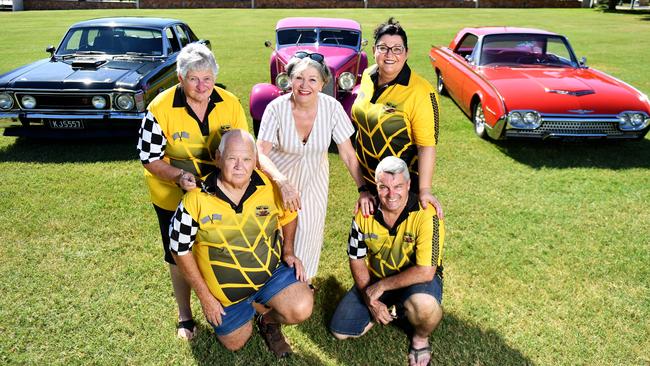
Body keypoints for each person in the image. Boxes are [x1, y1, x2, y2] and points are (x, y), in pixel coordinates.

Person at [136, 43, 247, 340]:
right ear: (180, 77)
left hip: (219, 195)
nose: (202, 85)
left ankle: (230, 303)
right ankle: (185, 315)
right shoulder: (159, 107)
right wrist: (178, 176)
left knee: (221, 246)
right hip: (173, 198)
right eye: (194, 78)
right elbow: (149, 158)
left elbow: (244, 147)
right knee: (178, 255)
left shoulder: (230, 102)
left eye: (208, 78)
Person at [169, 130, 313, 358]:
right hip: (225, 294)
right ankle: (251, 309)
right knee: (235, 342)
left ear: (255, 161)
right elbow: (179, 249)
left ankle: (267, 319)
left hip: (270, 275)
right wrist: (206, 298)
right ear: (218, 158)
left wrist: (289, 252)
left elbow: (290, 214)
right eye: (232, 158)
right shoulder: (195, 198)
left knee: (301, 307)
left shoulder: (269, 186)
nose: (239, 166)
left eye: (246, 159)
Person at [257, 51, 374, 281]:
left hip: (314, 183)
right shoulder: (275, 108)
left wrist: (363, 189)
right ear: (289, 79)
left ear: (322, 84)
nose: (304, 85)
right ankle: (272, 290)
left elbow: (349, 155)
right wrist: (281, 182)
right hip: (278, 184)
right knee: (276, 237)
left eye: (312, 79)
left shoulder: (332, 108)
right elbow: (260, 153)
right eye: (299, 78)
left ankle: (303, 283)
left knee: (308, 233)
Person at [329, 156, 445, 366]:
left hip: (417, 280)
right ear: (376, 186)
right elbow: (356, 260)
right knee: (341, 331)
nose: (392, 194)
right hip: (377, 277)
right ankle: (394, 309)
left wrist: (381, 287)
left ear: (409, 185)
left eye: (398, 186)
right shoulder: (364, 215)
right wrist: (370, 300)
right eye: (383, 187)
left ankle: (420, 338)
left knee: (424, 306)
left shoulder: (427, 215)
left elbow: (426, 271)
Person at [351, 17, 444, 219]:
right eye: (383, 48)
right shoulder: (367, 76)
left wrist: (425, 190)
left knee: (399, 245)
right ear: (374, 50)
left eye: (397, 49)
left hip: (400, 192)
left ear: (407, 52)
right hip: (369, 188)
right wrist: (362, 188)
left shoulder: (422, 92)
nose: (389, 54)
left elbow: (426, 146)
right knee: (369, 245)